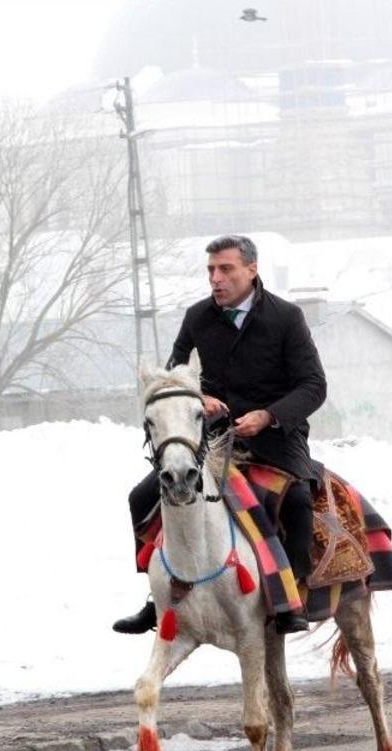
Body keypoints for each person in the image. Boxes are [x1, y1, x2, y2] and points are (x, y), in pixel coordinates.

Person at [114, 234, 327, 636]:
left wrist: (268, 416)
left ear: (252, 269)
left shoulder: (287, 317)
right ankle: (155, 596)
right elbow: (171, 377)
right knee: (141, 497)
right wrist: (200, 396)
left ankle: (292, 597)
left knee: (297, 503)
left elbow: (314, 386)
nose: (216, 278)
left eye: (225, 269)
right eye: (211, 270)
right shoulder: (197, 318)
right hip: (209, 442)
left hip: (275, 442)